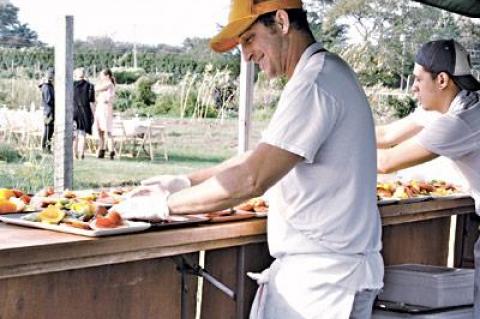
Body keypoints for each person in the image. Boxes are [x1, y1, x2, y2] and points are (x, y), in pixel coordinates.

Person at [112, 0, 383, 317]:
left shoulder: (314, 84)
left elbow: (253, 178)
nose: (246, 55)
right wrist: (185, 182)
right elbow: (260, 157)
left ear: (281, 22)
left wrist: (163, 207)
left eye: (249, 39)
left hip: (324, 281)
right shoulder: (324, 73)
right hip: (331, 272)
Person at [375, 39, 480, 317]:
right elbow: (385, 137)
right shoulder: (456, 105)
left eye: (419, 79)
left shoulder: (462, 120)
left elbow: (386, 162)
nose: (413, 87)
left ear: (442, 79)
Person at [73, 67, 95, 160]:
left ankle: (74, 154)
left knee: (74, 134)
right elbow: (92, 102)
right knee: (82, 134)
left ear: (75, 75)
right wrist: (93, 114)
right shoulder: (90, 86)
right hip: (85, 112)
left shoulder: (71, 85)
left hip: (73, 111)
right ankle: (81, 153)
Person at [94, 68, 116, 160]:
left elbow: (96, 88)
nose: (100, 77)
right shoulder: (106, 84)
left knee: (107, 130)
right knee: (100, 131)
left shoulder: (109, 84)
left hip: (105, 108)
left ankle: (111, 151)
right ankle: (102, 149)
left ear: (107, 76)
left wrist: (99, 83)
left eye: (102, 75)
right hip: (100, 108)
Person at [39, 69, 55, 153]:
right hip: (48, 111)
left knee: (50, 130)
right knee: (48, 130)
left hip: (50, 110)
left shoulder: (49, 86)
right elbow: (48, 100)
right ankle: (45, 148)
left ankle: (47, 148)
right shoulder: (46, 86)